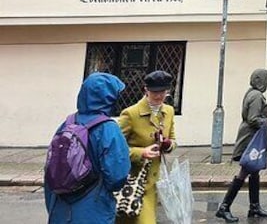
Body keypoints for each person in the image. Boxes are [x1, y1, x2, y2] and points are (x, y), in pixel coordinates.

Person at [45, 72, 131, 224]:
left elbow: (50, 171)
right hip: (93, 208)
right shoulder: (108, 128)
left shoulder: (67, 124)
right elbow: (117, 177)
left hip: (60, 209)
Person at [216, 68, 267, 222]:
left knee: (254, 171)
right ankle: (224, 207)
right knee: (245, 171)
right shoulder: (257, 96)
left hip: (252, 138)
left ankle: (255, 207)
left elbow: (254, 114)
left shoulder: (252, 93)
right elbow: (253, 119)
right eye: (266, 79)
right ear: (260, 80)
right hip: (251, 140)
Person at [117, 70, 177, 224]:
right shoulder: (130, 114)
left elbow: (173, 139)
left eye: (162, 92)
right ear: (146, 90)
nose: (158, 96)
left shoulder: (169, 111)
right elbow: (115, 149)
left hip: (157, 180)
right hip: (135, 181)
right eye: (154, 92)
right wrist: (140, 152)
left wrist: (168, 144)